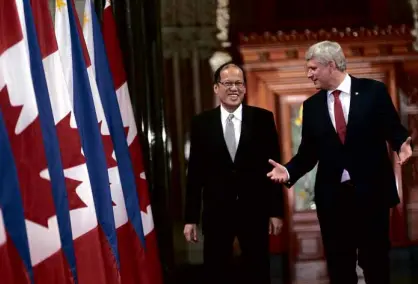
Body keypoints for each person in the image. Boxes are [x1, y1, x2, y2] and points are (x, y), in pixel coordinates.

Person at [267, 40, 412, 284]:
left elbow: (393, 128)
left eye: (313, 68)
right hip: (333, 199)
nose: (309, 74)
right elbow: (308, 153)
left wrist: (402, 144)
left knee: (375, 264)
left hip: (371, 194)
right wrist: (289, 170)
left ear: (331, 65)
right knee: (339, 267)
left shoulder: (372, 91)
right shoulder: (311, 106)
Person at [184, 62, 284, 284]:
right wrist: (190, 218)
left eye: (239, 83)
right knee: (216, 272)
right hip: (216, 212)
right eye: (227, 83)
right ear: (216, 88)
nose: (234, 88)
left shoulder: (263, 119)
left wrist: (276, 212)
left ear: (245, 88)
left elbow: (274, 169)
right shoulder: (201, 123)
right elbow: (195, 174)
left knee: (258, 271)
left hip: (254, 211)